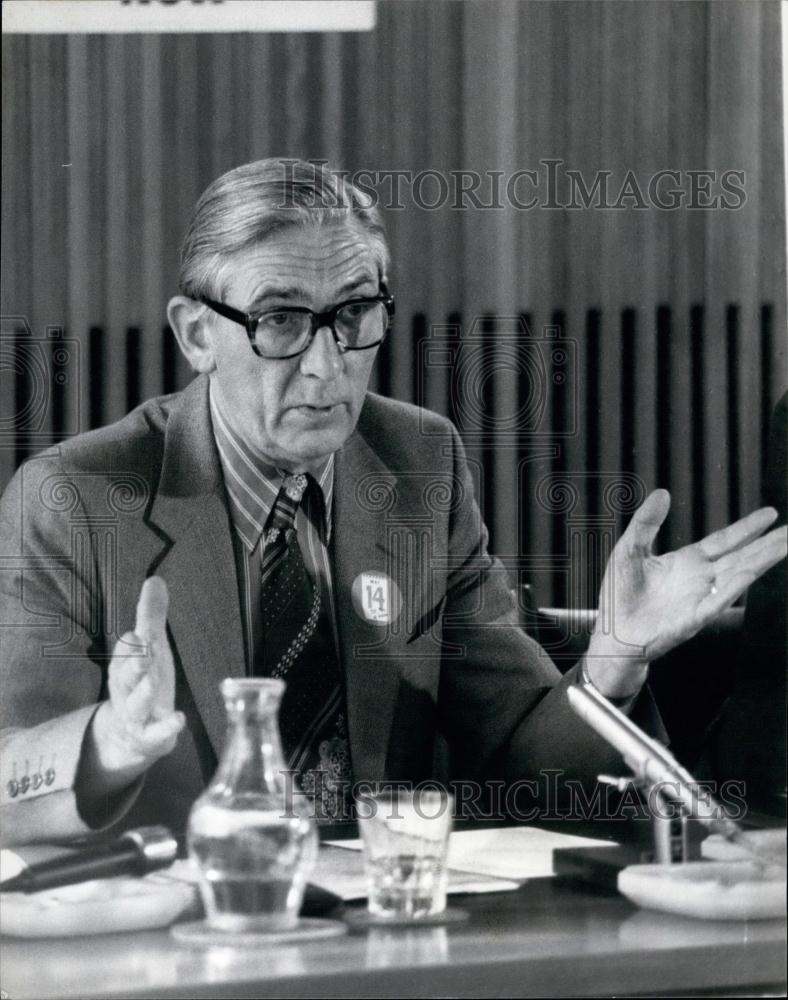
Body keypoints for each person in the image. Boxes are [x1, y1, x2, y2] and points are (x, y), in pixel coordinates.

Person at [1, 159, 785, 844]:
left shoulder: (418, 465)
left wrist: (614, 657)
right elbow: (8, 777)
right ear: (197, 334)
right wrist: (109, 742)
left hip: (388, 923)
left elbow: (523, 754)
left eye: (352, 315)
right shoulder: (76, 498)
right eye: (280, 320)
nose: (326, 365)